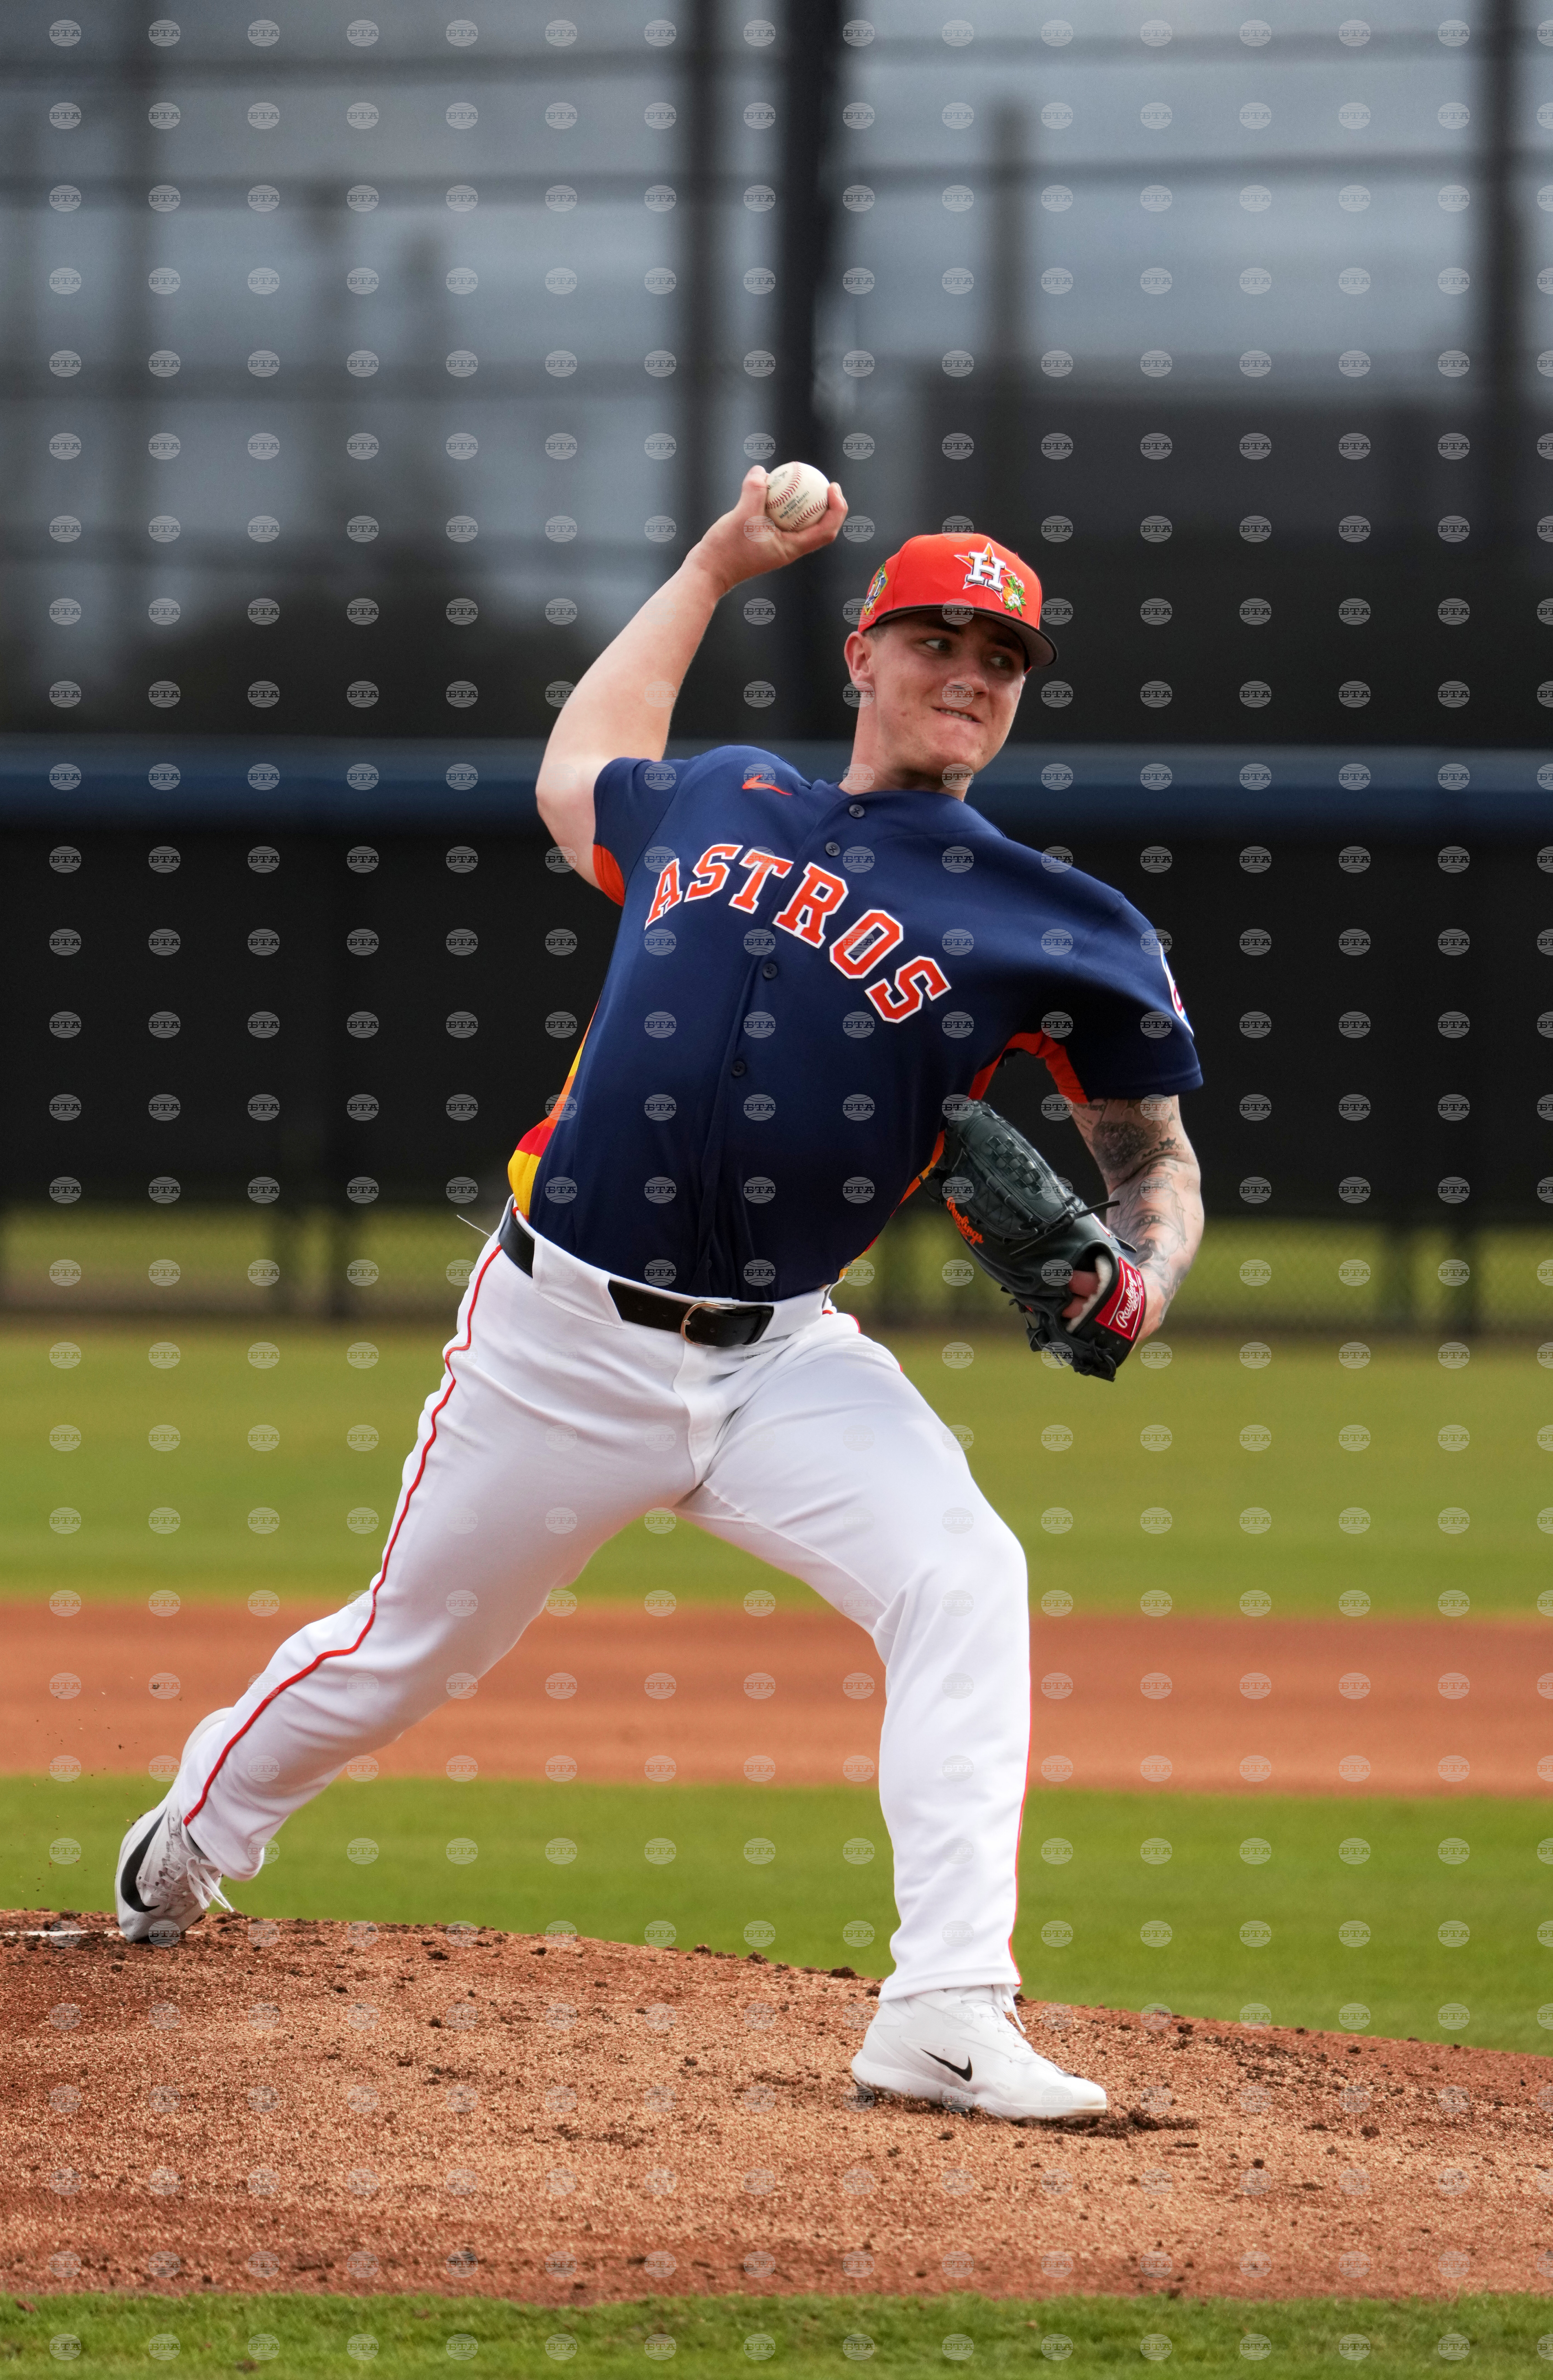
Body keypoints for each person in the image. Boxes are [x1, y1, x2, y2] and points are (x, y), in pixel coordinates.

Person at [116, 467, 1204, 2124]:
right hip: (558, 1338)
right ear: (866, 652)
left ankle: (943, 2009)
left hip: (784, 1365)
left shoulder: (1066, 925)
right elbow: (571, 767)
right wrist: (715, 562)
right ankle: (190, 1842)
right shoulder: (723, 798)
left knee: (968, 1578)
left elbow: (1154, 1168)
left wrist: (1141, 1285)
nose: (970, 673)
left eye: (1004, 654)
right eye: (936, 637)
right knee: (407, 1651)